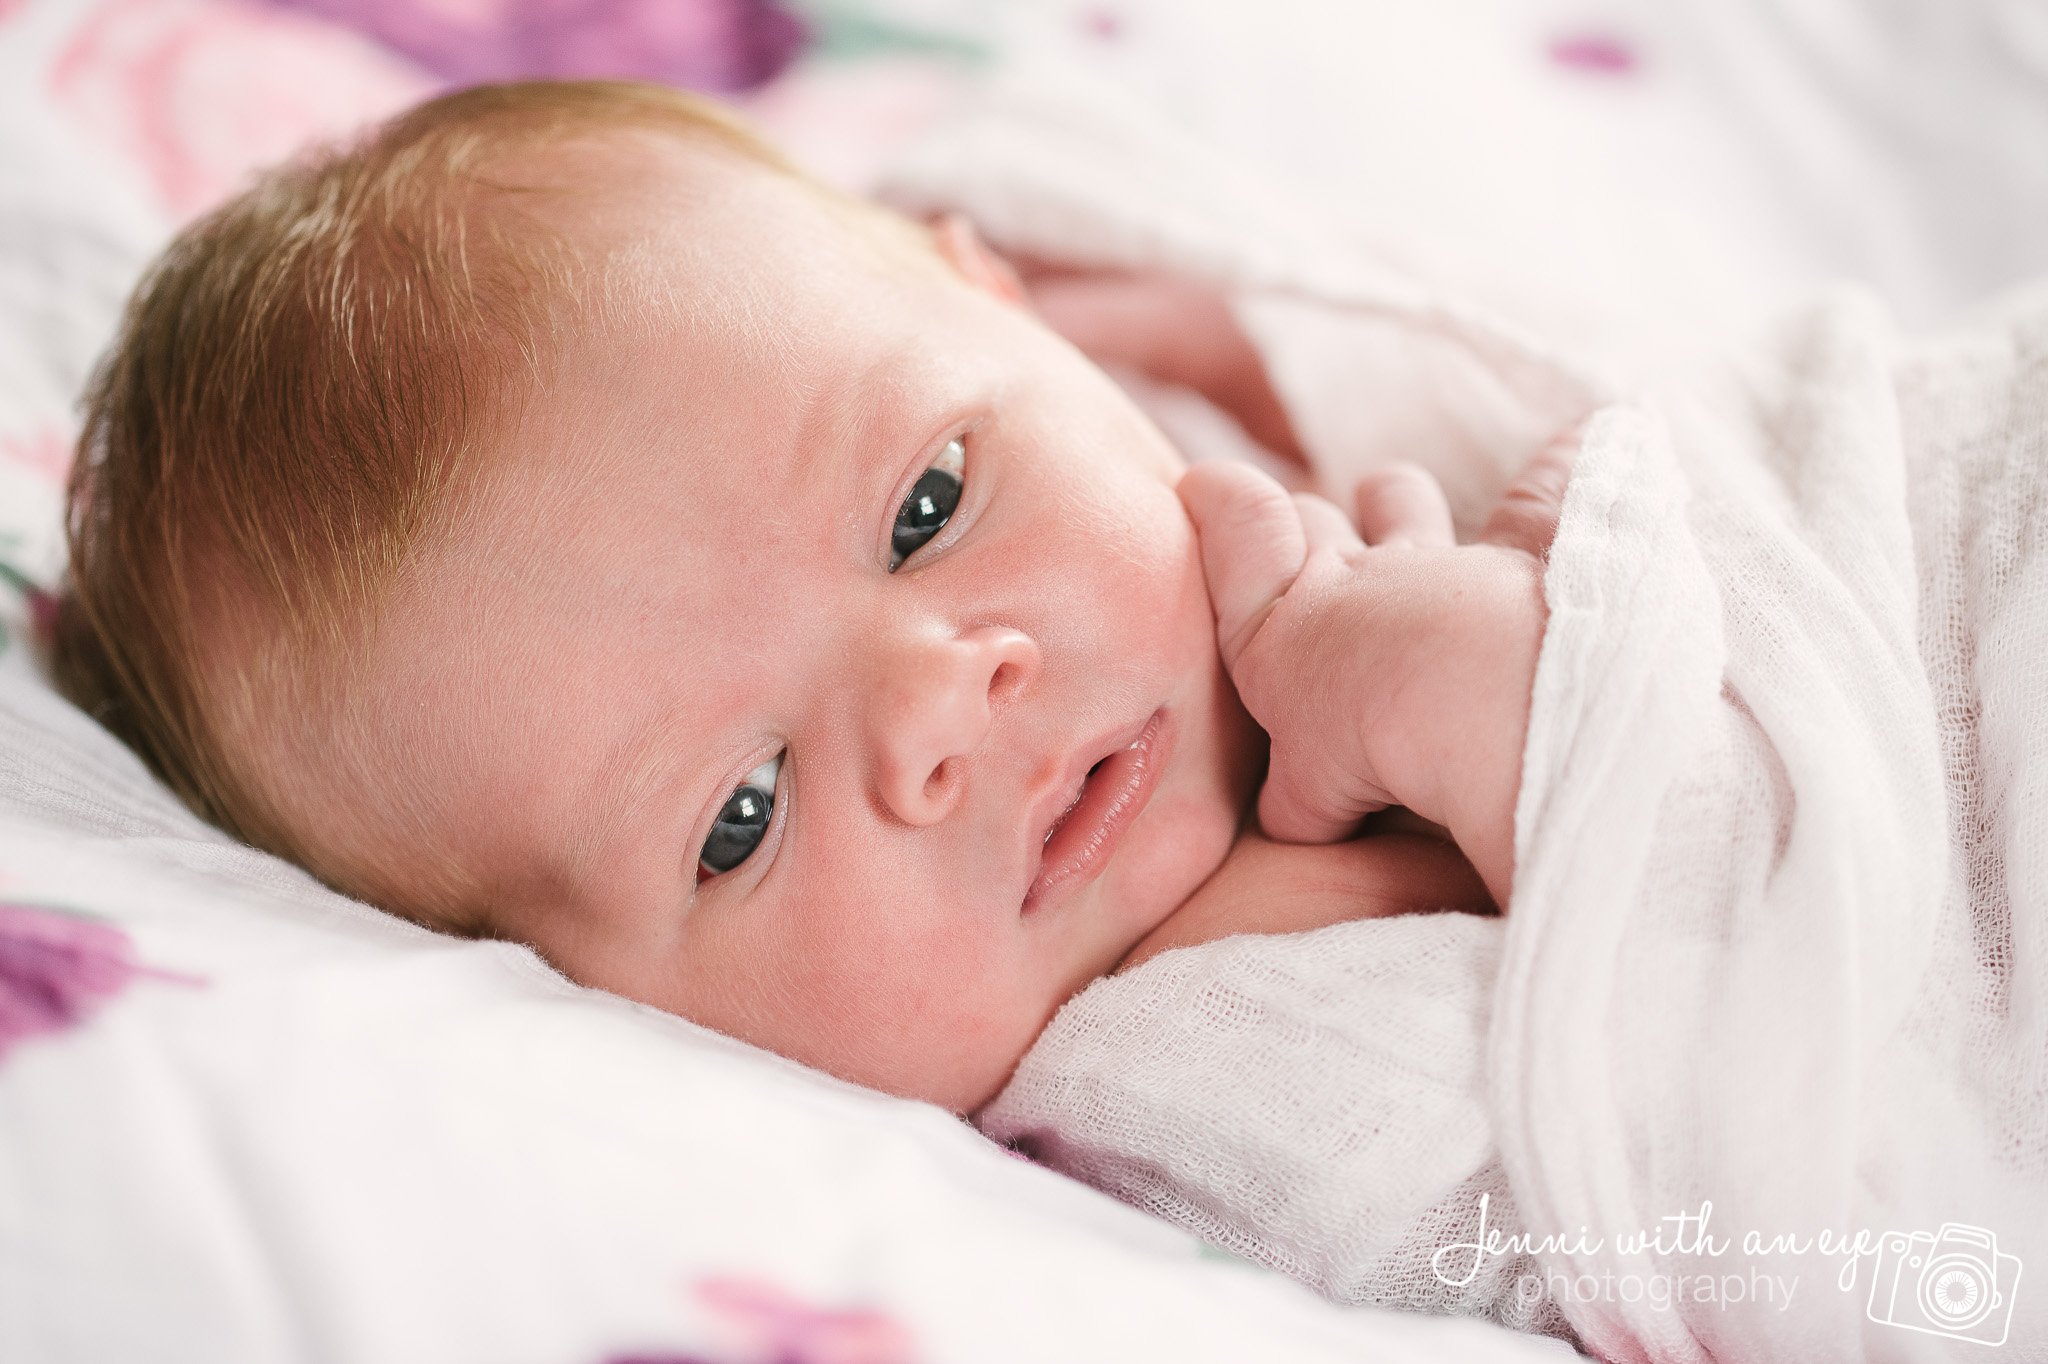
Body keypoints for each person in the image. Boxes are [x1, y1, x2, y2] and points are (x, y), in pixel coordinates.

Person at [54, 80, 1566, 1114]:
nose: (932, 707)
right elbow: (1755, 1216)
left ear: (1010, 303)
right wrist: (1526, 742)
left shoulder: (1222, 406)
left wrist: (1269, 361)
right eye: (743, 814)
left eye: (929, 507)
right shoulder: (1217, 1094)